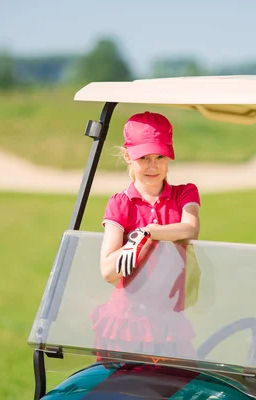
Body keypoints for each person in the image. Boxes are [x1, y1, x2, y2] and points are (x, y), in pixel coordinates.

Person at [91, 111, 201, 359]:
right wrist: (133, 246)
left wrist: (148, 233)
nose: (153, 166)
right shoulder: (121, 203)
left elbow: (190, 228)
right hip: (127, 321)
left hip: (168, 320)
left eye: (160, 156)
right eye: (144, 158)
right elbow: (108, 271)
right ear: (127, 156)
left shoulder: (184, 194)